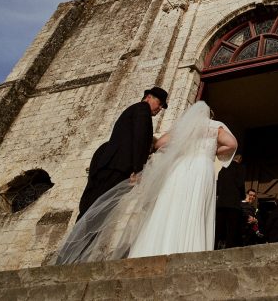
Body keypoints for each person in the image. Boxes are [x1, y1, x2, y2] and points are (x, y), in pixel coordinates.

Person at [55, 101, 237, 263]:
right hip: (200, 168)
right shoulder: (214, 127)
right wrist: (211, 152)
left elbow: (160, 144)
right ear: (209, 115)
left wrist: (182, 148)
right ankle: (191, 249)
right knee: (196, 206)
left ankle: (156, 249)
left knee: (171, 207)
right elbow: (232, 144)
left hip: (181, 169)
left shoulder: (183, 129)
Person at [76, 87, 168, 220]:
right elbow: (139, 139)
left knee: (95, 209)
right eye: (159, 103)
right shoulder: (143, 109)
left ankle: (80, 237)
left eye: (162, 106)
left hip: (113, 166)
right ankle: (80, 239)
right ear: (148, 97)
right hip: (117, 167)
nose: (160, 108)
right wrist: (138, 170)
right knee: (97, 211)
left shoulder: (135, 111)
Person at [215, 153, 246, 249]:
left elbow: (218, 186)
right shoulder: (240, 168)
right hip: (233, 203)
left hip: (221, 203)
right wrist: (243, 196)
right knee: (232, 228)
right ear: (240, 159)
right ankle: (229, 248)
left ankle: (215, 247)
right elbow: (240, 184)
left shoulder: (222, 169)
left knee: (219, 227)